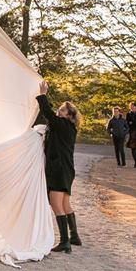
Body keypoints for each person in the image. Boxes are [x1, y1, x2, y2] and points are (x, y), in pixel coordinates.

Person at [36, 80, 82, 253]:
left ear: (70, 115)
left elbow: (47, 112)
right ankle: (74, 236)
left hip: (59, 169)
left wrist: (42, 94)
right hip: (67, 169)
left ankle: (64, 241)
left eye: (62, 110)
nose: (58, 111)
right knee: (65, 203)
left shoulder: (63, 125)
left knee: (56, 204)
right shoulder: (68, 127)